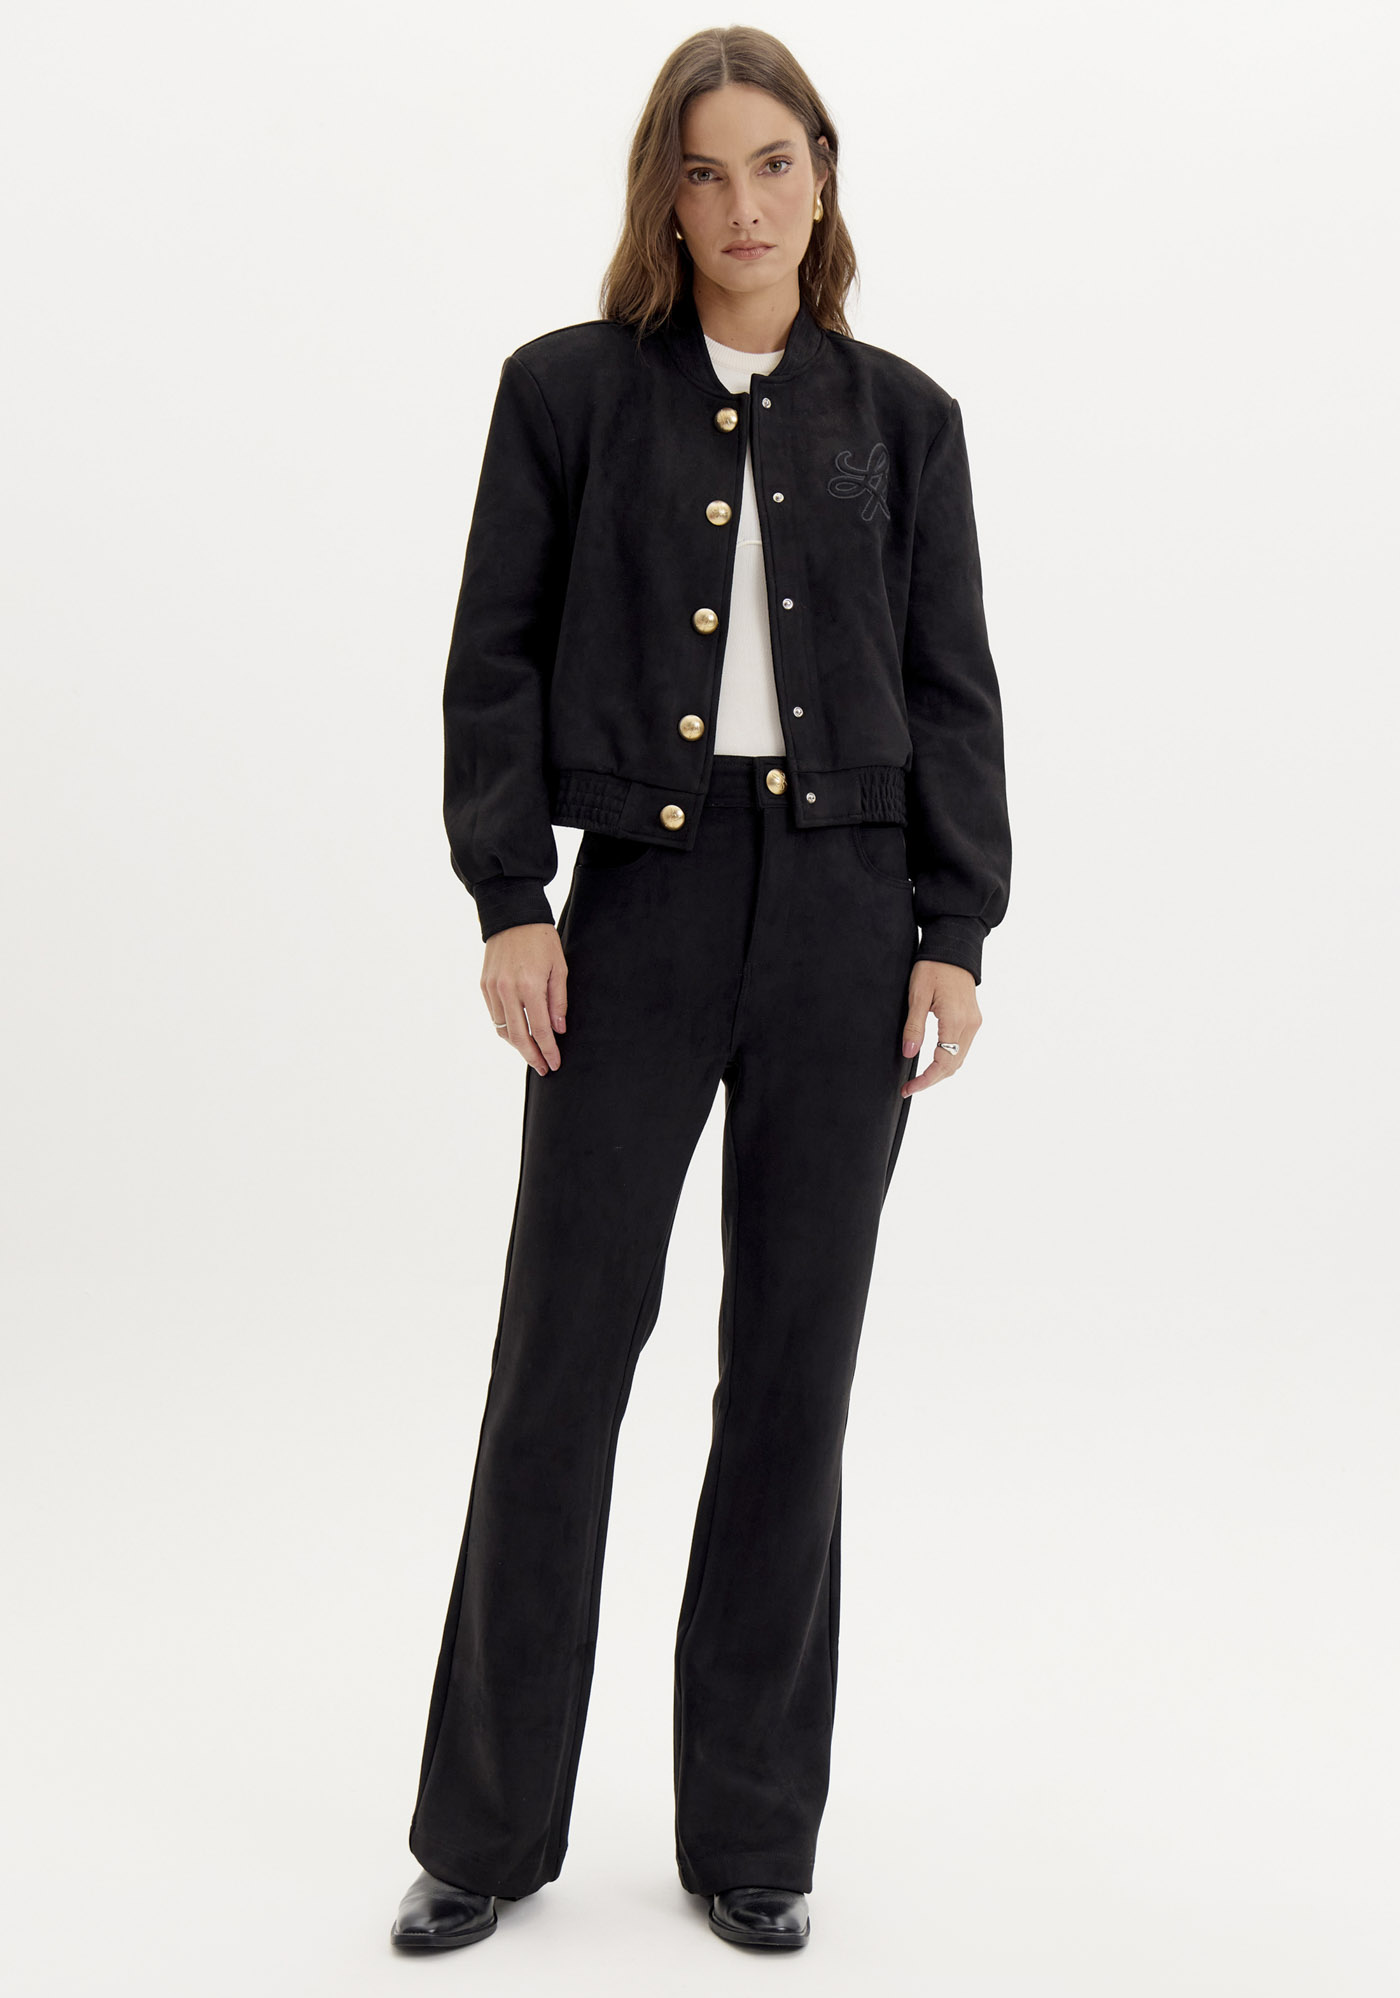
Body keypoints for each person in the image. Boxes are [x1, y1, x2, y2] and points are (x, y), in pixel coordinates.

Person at [389, 24, 1012, 1956]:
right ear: (664, 197)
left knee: (792, 1379)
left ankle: (752, 1825)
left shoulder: (905, 420)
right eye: (706, 170)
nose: (744, 204)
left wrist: (953, 929)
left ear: (822, 179)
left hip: (847, 922)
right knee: (559, 1363)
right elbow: (493, 654)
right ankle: (485, 1830)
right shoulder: (568, 395)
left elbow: (952, 686)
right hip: (637, 912)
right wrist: (512, 895)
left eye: (775, 164)